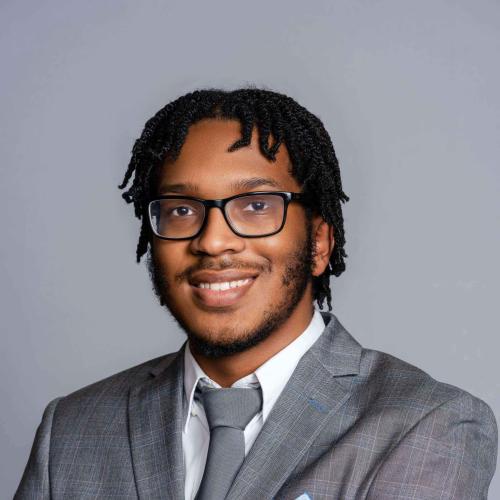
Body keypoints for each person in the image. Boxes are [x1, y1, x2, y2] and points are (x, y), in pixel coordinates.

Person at [16, 88, 497, 499]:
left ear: (319, 244)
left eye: (256, 205)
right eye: (182, 210)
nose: (212, 240)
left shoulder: (426, 424)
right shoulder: (72, 429)